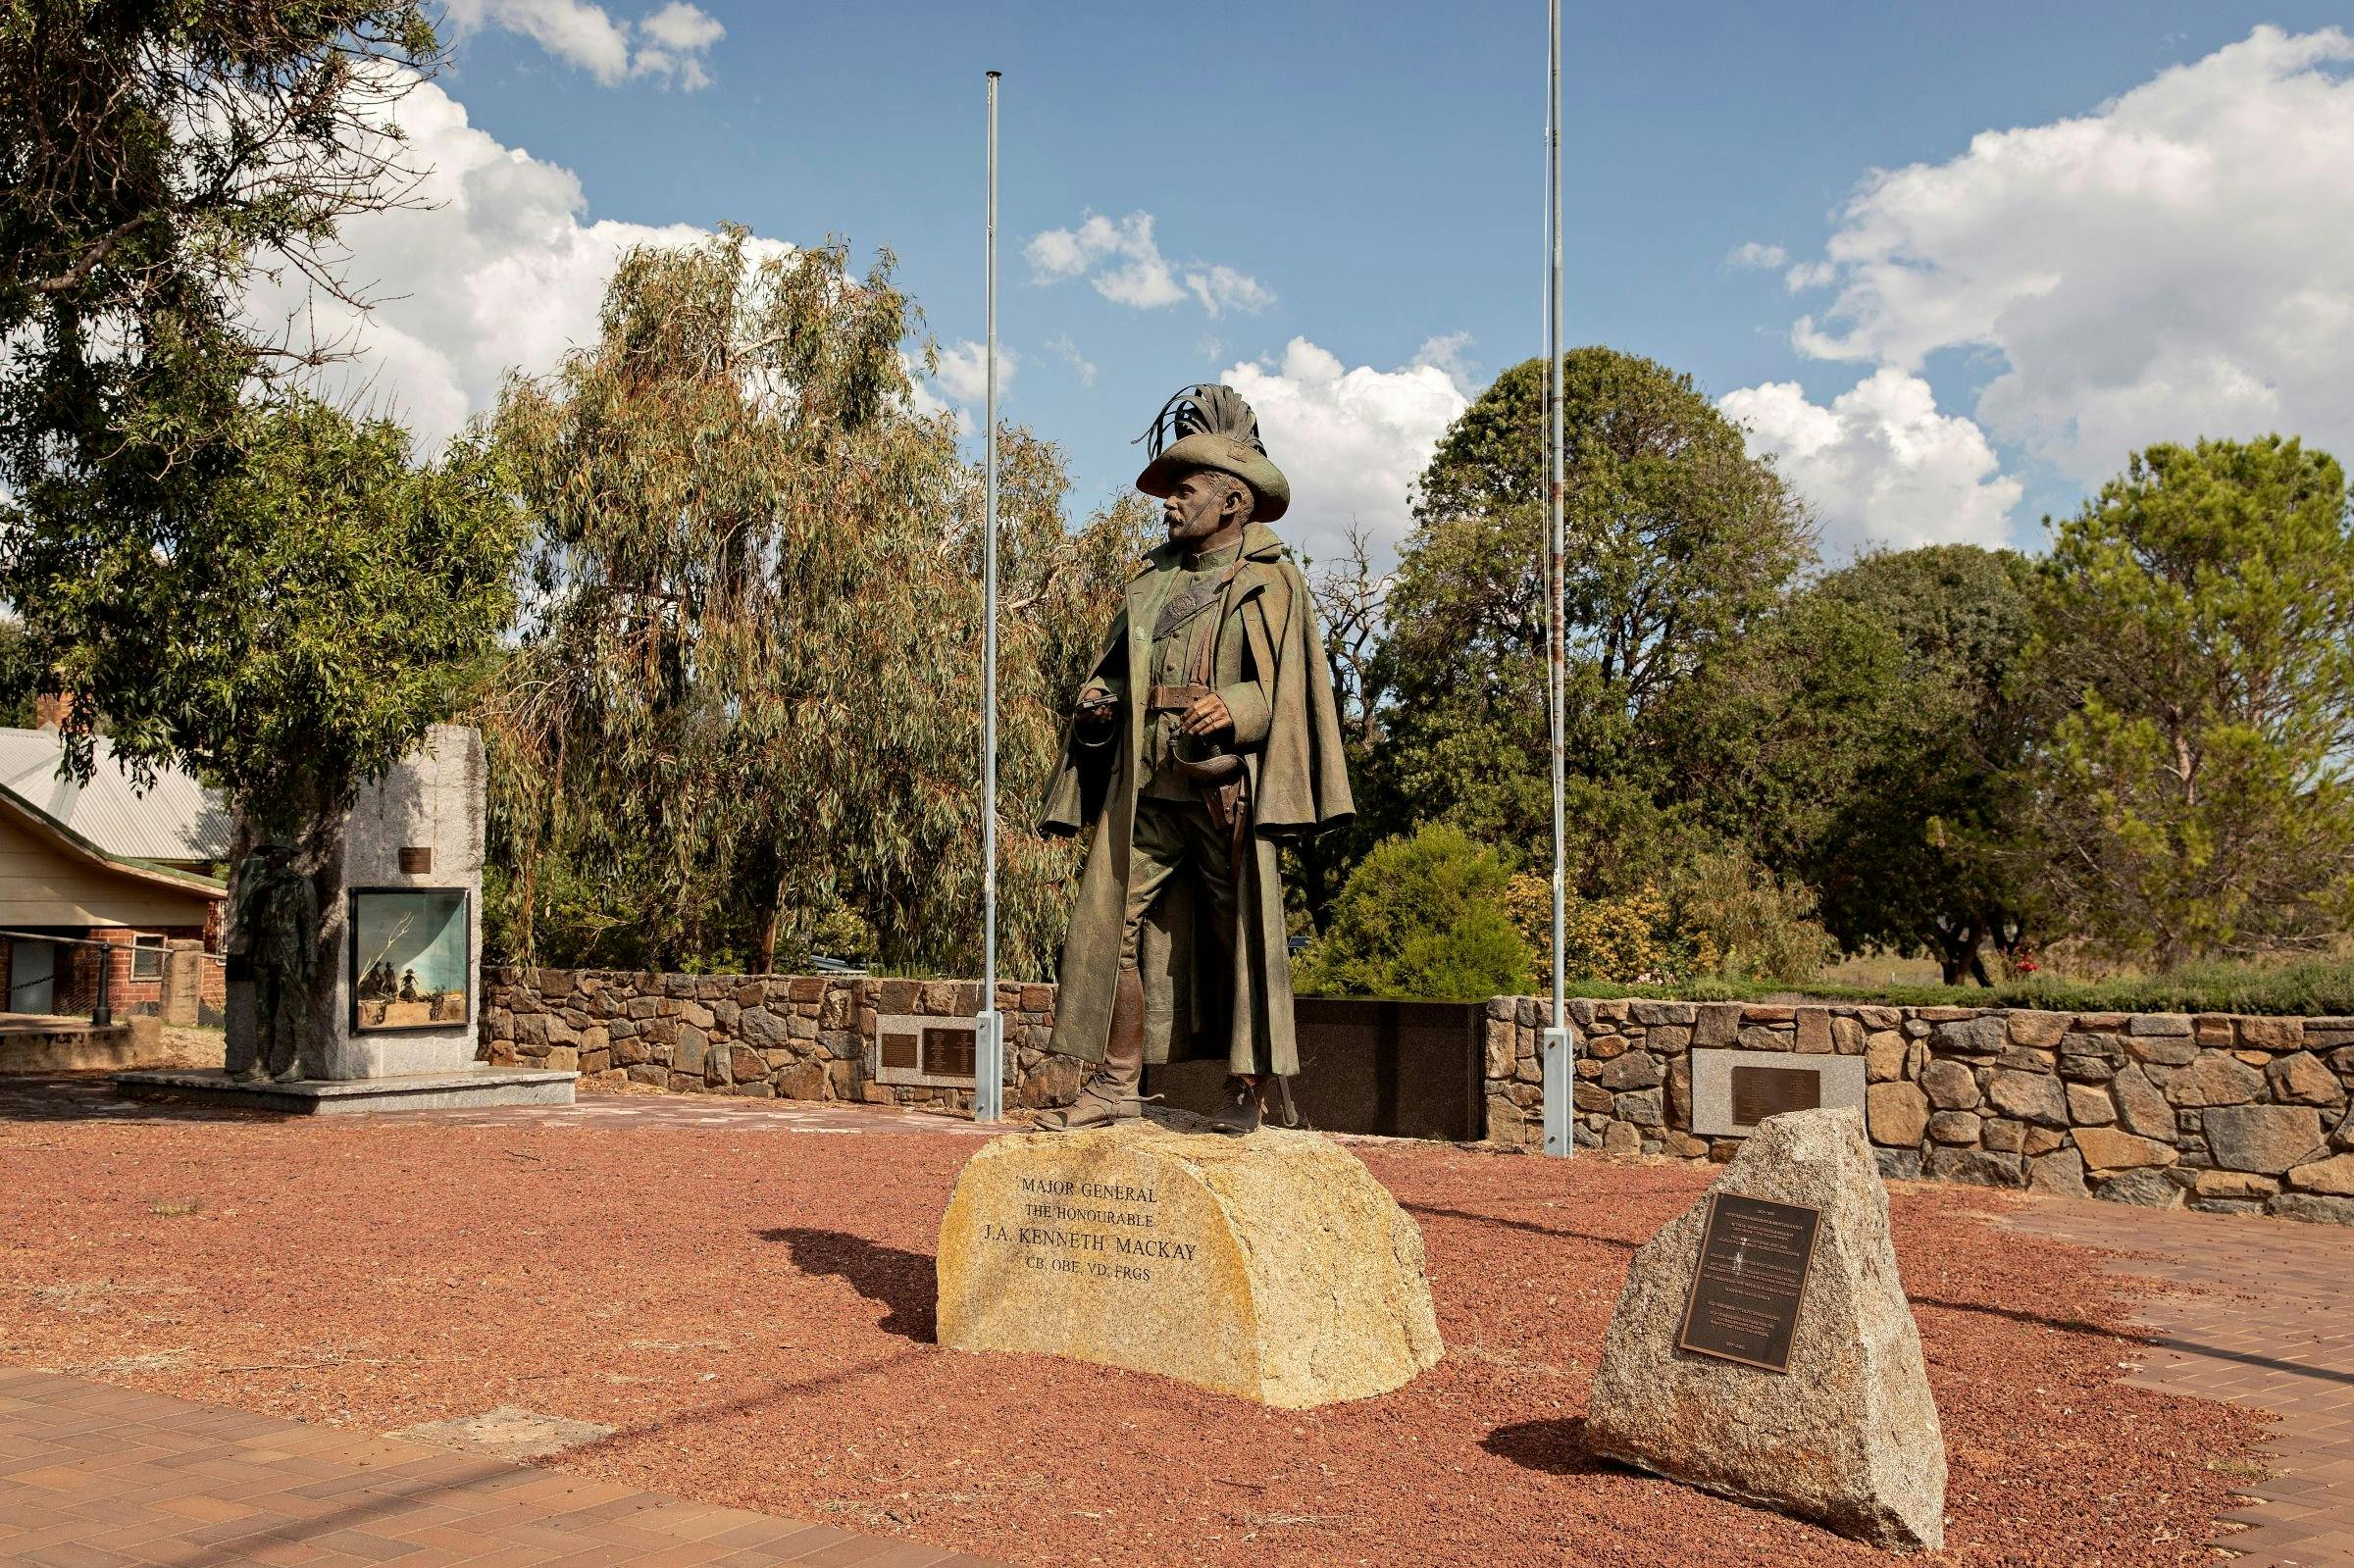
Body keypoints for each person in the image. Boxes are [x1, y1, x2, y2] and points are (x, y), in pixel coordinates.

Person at [1037, 384, 1353, 1135]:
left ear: (1232, 501)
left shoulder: (1272, 578)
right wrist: (1098, 695)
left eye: (1185, 491)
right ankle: (1116, 1079)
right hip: (1145, 790)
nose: (1169, 505)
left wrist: (1236, 708)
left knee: (1233, 931)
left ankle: (1247, 1087)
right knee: (1107, 927)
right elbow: (1119, 666)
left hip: (1221, 791)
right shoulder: (1152, 580)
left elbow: (1292, 690)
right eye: (1170, 492)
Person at [228, 843, 316, 1083]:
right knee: (263, 1008)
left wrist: (310, 960)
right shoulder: (260, 883)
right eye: (266, 854)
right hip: (263, 948)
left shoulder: (300, 883)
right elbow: (246, 916)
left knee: (295, 1008)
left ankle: (298, 1063)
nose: (268, 858)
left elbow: (308, 924)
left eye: (274, 854)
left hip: (290, 949)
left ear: (286, 856)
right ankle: (261, 1063)